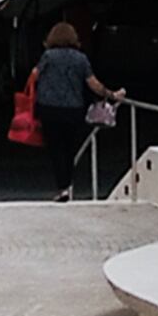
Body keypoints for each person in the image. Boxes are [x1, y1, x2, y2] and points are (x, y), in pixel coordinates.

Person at [25, 16, 123, 193]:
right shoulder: (81, 59)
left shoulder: (48, 56)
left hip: (49, 108)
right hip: (73, 109)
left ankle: (61, 185)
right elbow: (93, 84)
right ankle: (67, 183)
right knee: (69, 148)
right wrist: (111, 94)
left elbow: (34, 75)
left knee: (55, 148)